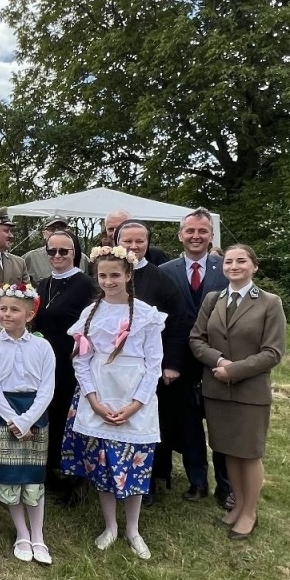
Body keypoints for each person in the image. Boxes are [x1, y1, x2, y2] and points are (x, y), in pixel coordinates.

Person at [61, 244, 165, 559]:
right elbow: (81, 361)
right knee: (102, 465)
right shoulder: (90, 314)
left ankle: (132, 528)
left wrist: (136, 404)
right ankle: (111, 526)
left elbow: (154, 364)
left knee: (135, 466)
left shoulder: (146, 314)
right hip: (101, 395)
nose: (108, 281)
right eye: (103, 276)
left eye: (115, 275)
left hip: (134, 398)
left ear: (128, 275)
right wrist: (93, 400)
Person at [190, 243, 287, 540]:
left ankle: (249, 512)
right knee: (228, 450)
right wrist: (218, 361)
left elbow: (273, 352)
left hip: (249, 391)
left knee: (249, 453)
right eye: (229, 261)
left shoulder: (270, 302)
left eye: (241, 261)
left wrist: (234, 370)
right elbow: (197, 339)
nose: (234, 266)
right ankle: (238, 506)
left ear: (254, 266)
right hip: (217, 390)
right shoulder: (213, 298)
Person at [156, 208, 231, 506]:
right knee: (187, 423)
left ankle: (226, 487)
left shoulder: (225, 269)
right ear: (180, 235)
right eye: (190, 231)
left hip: (219, 359)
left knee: (222, 427)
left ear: (211, 235)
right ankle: (196, 480)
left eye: (202, 231)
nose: (196, 236)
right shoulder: (166, 272)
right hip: (179, 361)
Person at [0, 284, 56, 565]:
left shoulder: (42, 346)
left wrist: (27, 421)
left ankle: (38, 535)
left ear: (29, 314)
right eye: (3, 308)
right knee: (11, 477)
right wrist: (13, 420)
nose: (7, 314)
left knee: (33, 478)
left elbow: (47, 389)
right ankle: (22, 533)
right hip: (5, 416)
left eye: (14, 309)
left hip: (35, 415)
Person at [115, 221, 188, 503]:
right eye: (127, 241)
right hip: (113, 370)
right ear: (116, 240)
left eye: (139, 241)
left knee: (144, 425)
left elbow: (178, 322)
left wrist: (172, 364)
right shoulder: (109, 274)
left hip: (146, 369)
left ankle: (147, 481)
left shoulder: (159, 279)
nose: (133, 247)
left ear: (148, 243)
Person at [33, 230, 98, 501]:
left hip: (72, 363)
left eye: (64, 251)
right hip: (44, 362)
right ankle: (48, 470)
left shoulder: (86, 285)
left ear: (76, 253)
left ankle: (73, 478)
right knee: (47, 413)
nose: (57, 256)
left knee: (68, 417)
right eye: (52, 251)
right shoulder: (42, 284)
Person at [104, 210, 170, 265]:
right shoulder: (101, 255)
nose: (115, 233)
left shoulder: (155, 255)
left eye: (120, 228)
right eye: (110, 229)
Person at [21, 217, 71, 283]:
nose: (56, 232)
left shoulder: (82, 259)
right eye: (52, 229)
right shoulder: (30, 258)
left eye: (61, 228)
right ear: (44, 234)